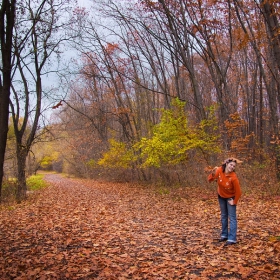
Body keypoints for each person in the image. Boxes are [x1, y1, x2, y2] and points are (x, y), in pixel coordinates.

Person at [208, 158, 242, 246]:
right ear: (226, 163)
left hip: (230, 197)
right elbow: (210, 180)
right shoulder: (219, 170)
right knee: (223, 216)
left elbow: (238, 192)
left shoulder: (233, 177)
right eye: (231, 165)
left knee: (232, 217)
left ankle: (232, 239)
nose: (232, 167)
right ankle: (224, 235)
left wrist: (234, 202)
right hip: (221, 196)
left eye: (234, 166)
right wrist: (212, 174)